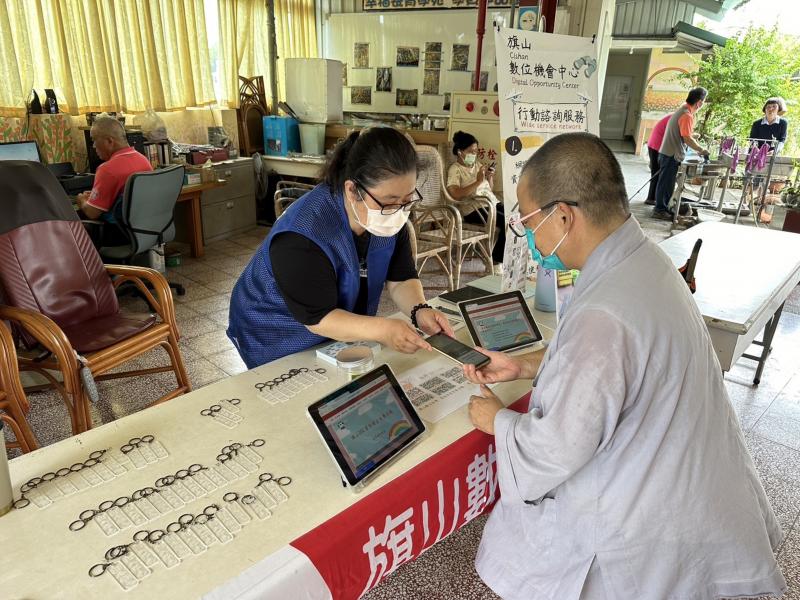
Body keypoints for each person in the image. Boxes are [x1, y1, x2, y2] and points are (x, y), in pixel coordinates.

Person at [463, 132, 786, 600]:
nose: (528, 235)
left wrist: (497, 421)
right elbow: (627, 365)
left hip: (643, 524)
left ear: (563, 216)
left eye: (528, 220)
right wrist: (524, 365)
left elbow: (555, 449)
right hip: (688, 485)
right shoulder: (644, 259)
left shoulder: (603, 313)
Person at [227, 127, 454, 369]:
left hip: (331, 323)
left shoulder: (387, 218)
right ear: (352, 190)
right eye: (389, 202)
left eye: (407, 199)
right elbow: (319, 318)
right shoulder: (302, 235)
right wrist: (383, 329)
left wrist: (419, 310)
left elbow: (400, 278)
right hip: (274, 327)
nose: (399, 210)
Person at [75, 114, 152, 246]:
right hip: (145, 228)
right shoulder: (143, 159)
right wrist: (95, 198)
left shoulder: (107, 169)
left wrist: (82, 200)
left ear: (110, 141)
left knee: (73, 218)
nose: (93, 146)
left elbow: (93, 213)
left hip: (120, 234)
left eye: (94, 140)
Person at [446, 131, 506, 267]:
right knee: (507, 222)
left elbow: (488, 188)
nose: (474, 155)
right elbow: (455, 194)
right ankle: (497, 262)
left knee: (516, 217)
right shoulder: (455, 170)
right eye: (471, 151)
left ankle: (507, 258)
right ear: (460, 152)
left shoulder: (478, 165)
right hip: (474, 210)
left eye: (476, 151)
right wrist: (478, 181)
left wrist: (489, 177)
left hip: (491, 203)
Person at [653, 87, 709, 220]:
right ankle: (660, 210)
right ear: (699, 102)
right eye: (704, 101)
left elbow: (685, 134)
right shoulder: (687, 115)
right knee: (666, 184)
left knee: (665, 183)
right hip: (670, 154)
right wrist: (701, 149)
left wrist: (691, 137)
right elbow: (687, 139)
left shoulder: (683, 109)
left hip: (667, 152)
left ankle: (663, 207)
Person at [643, 113, 670, 205]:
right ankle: (651, 198)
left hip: (654, 144)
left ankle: (652, 197)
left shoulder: (675, 116)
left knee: (656, 172)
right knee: (656, 173)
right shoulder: (680, 117)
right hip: (656, 145)